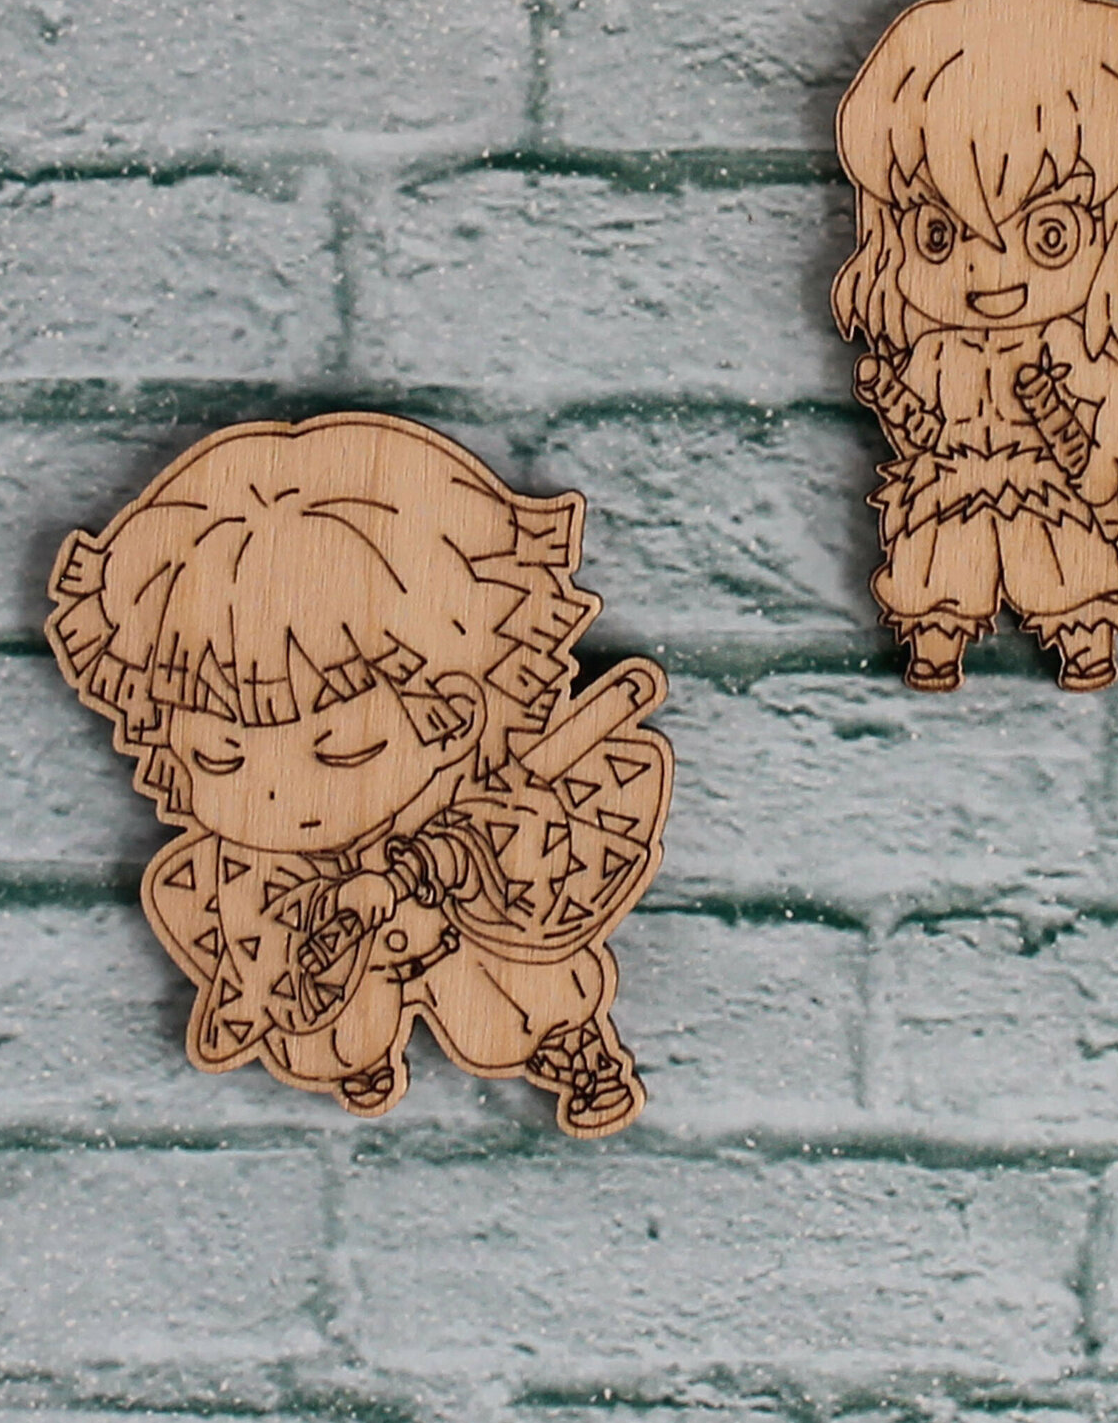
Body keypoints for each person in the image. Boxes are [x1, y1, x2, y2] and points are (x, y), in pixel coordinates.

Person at [46, 413, 672, 1136]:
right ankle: (353, 1057)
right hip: (334, 960)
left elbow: (521, 844)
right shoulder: (242, 871)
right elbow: (255, 945)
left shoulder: (482, 800)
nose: (278, 796)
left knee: (510, 994)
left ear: (453, 713)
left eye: (342, 749)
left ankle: (573, 1050)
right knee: (327, 1016)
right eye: (220, 756)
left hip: (463, 927)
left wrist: (425, 868)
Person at [833, 0, 1118, 691]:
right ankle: (935, 644)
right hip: (955, 480)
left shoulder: (1065, 348)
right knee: (939, 565)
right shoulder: (935, 349)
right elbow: (916, 421)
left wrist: (1102, 461)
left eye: (1049, 234)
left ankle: (1085, 644)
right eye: (939, 233)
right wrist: (905, 416)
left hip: (1048, 483)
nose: (987, 272)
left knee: (1065, 567)